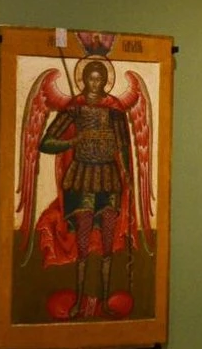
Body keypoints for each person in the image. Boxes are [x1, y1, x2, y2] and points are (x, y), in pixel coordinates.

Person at [38, 59, 135, 316]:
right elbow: (46, 143)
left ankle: (105, 302)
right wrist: (73, 141)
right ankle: (79, 300)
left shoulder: (114, 109)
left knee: (107, 241)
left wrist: (129, 175)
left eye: (99, 78)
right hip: (82, 177)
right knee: (83, 240)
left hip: (109, 178)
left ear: (105, 81)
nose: (95, 83)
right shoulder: (75, 108)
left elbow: (124, 146)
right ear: (84, 79)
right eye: (91, 78)